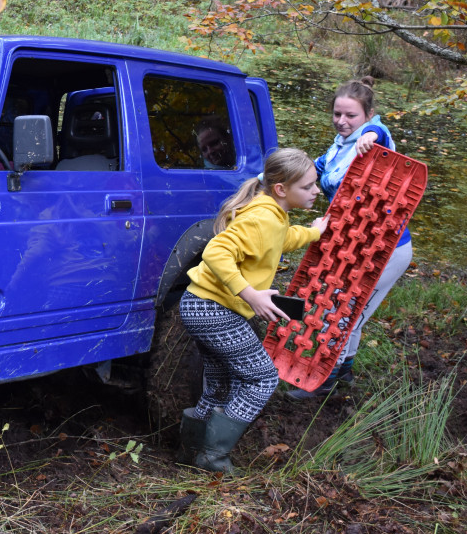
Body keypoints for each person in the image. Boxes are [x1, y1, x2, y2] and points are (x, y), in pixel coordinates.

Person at [177, 148, 329, 473]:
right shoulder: (262, 217)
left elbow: (280, 239)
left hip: (200, 304)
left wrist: (315, 232)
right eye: (308, 186)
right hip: (213, 308)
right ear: (281, 189)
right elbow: (217, 250)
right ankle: (212, 459)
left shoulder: (271, 215)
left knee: (218, 383)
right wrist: (251, 295)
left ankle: (190, 453)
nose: (316, 191)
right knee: (262, 379)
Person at [287, 76, 413, 399]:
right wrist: (269, 178)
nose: (342, 121)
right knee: (347, 311)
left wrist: (369, 135)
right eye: (337, 114)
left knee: (344, 313)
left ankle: (324, 381)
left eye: (351, 116)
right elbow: (314, 172)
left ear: (368, 115)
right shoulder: (337, 148)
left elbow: (382, 135)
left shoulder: (373, 143)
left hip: (386, 251)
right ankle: (344, 375)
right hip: (355, 247)